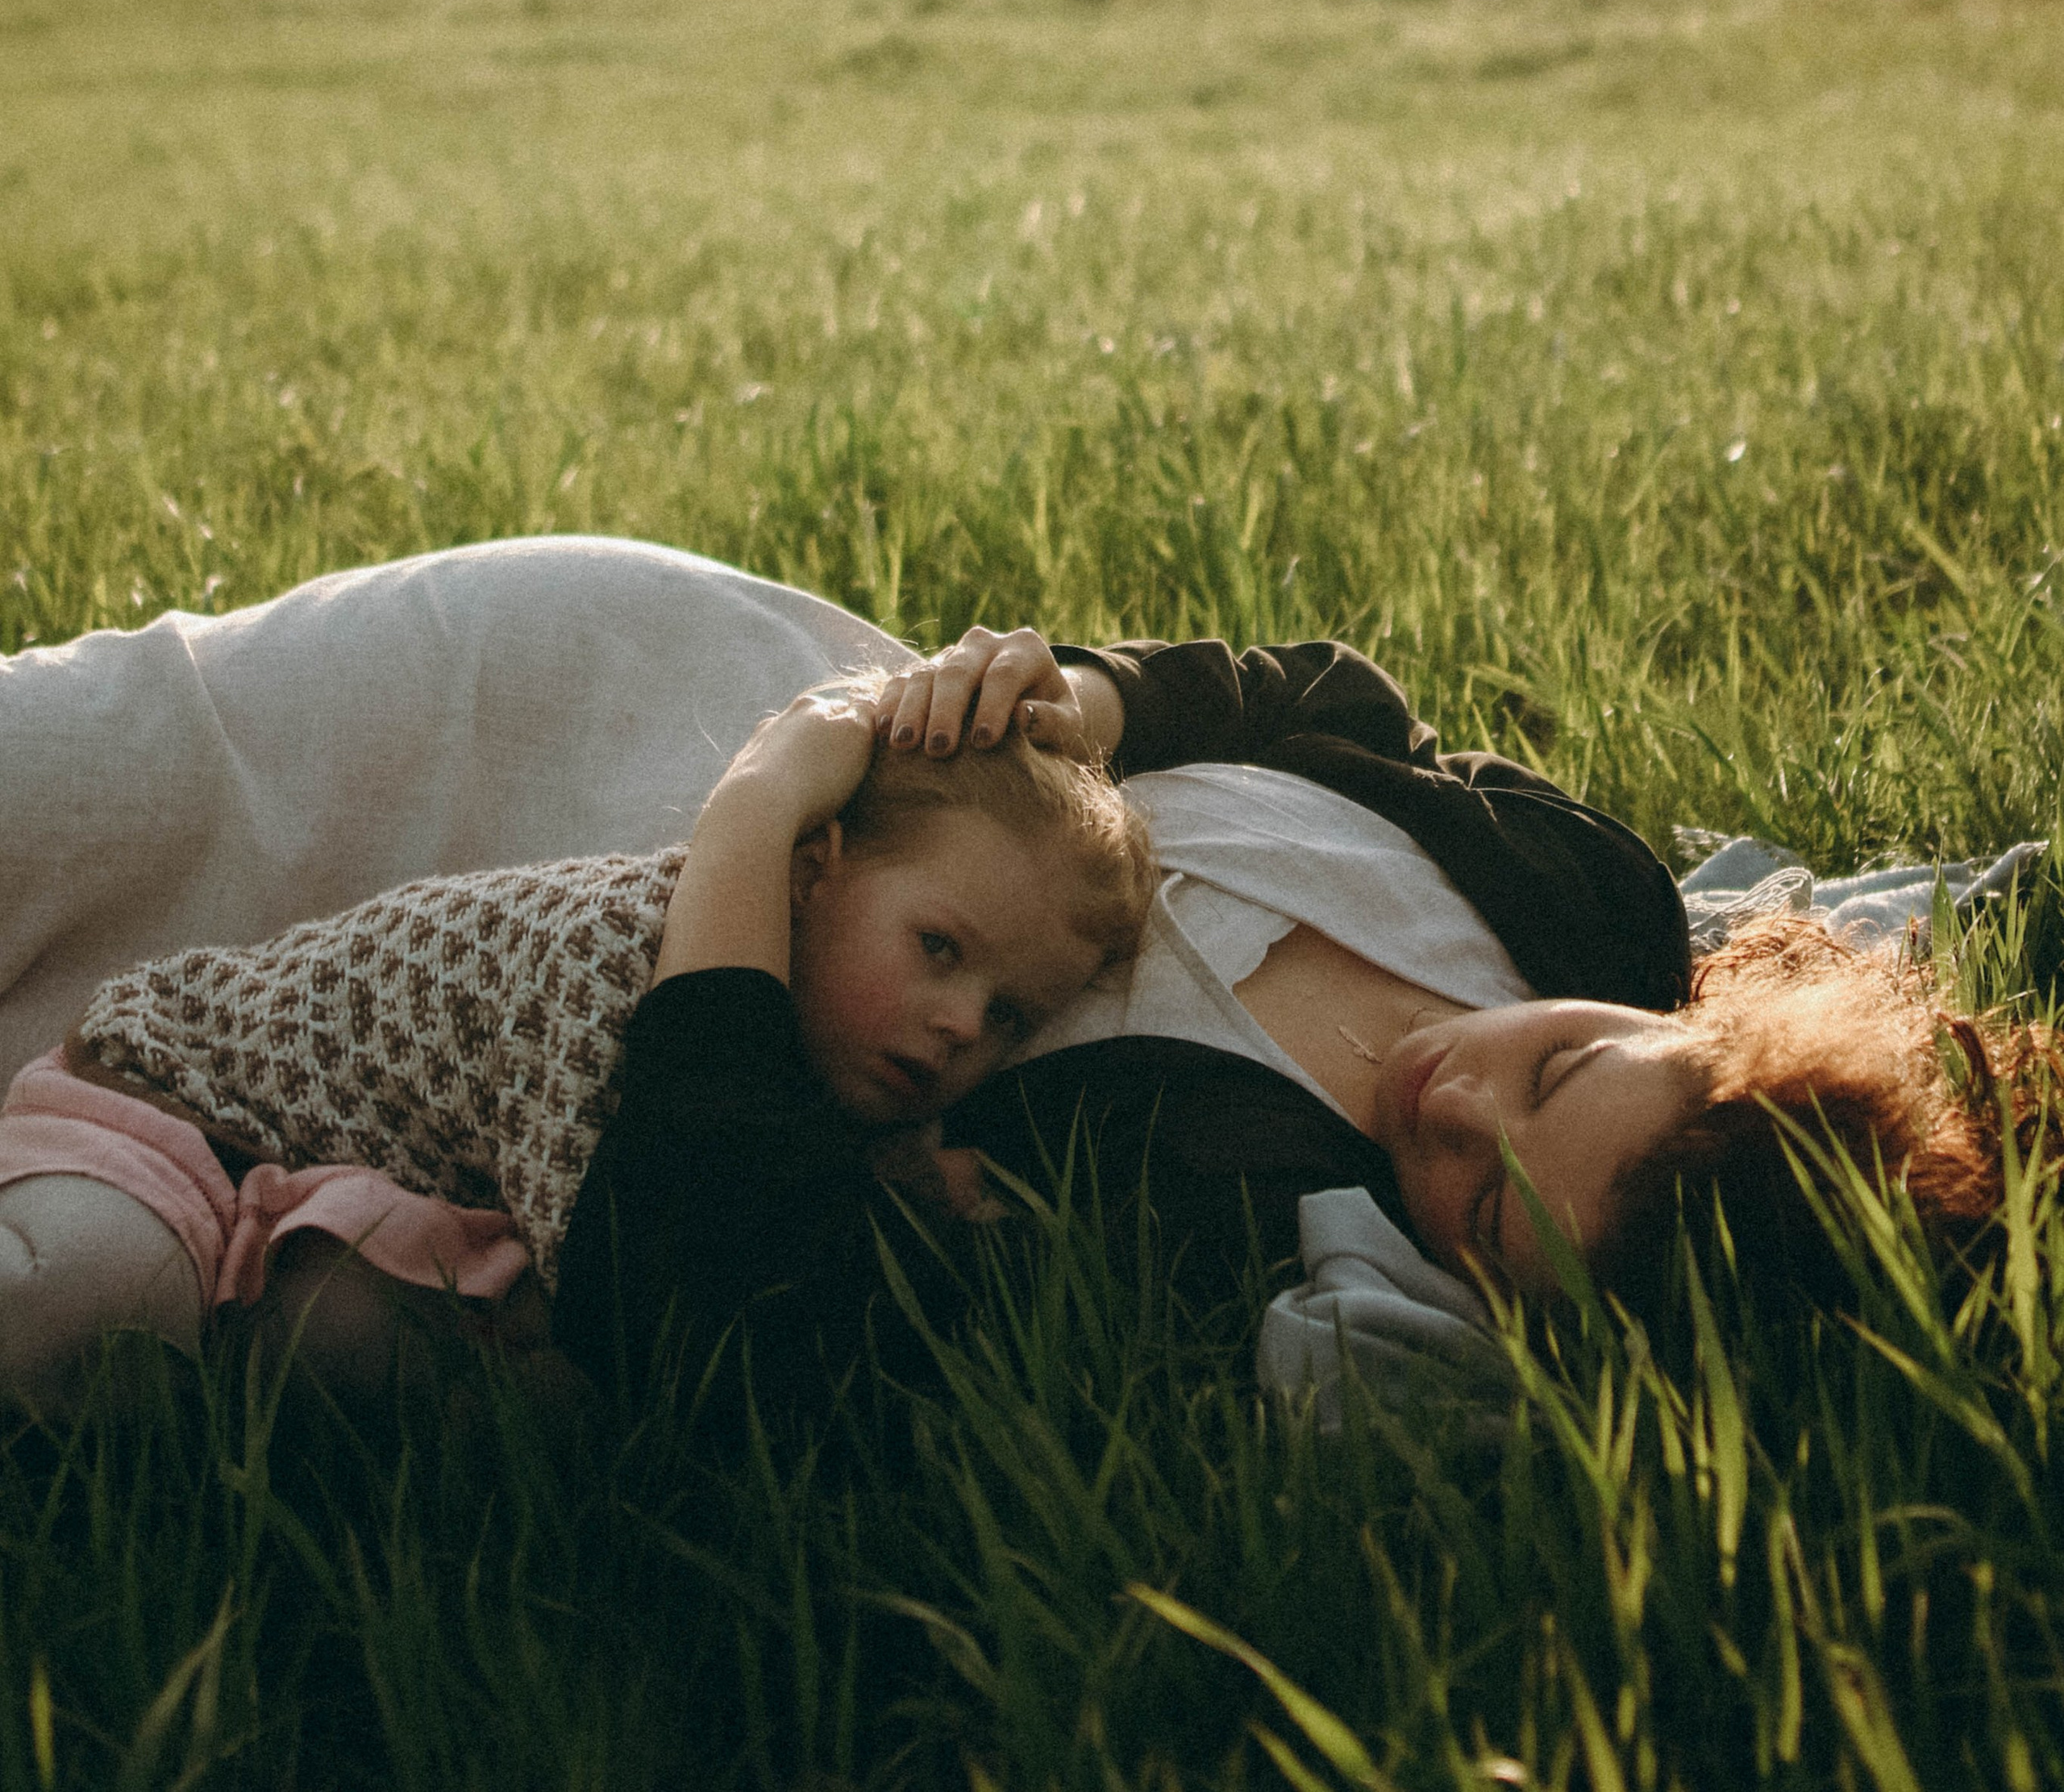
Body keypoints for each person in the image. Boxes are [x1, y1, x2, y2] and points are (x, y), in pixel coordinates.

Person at [0, 543, 2038, 1416]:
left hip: (609, 941)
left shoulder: (1209, 1229)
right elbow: (1324, 696)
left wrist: (746, 828)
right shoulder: (1585, 897)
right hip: (646, 675)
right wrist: (1080, 695)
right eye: (1568, 1061)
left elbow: (709, 1298)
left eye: (1498, 1204)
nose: (1457, 1094)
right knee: (94, 753)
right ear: (1671, 1011)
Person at [10, 679, 1152, 1403]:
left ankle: (230, 1366)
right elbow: (640, 1271)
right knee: (90, 1288)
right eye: (939, 947)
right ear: (813, 871)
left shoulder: (831, 1043)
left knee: (376, 1357)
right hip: (169, 1116)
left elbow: (752, 1172)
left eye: (1008, 1015)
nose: (961, 1023)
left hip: (348, 1202)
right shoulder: (620, 956)